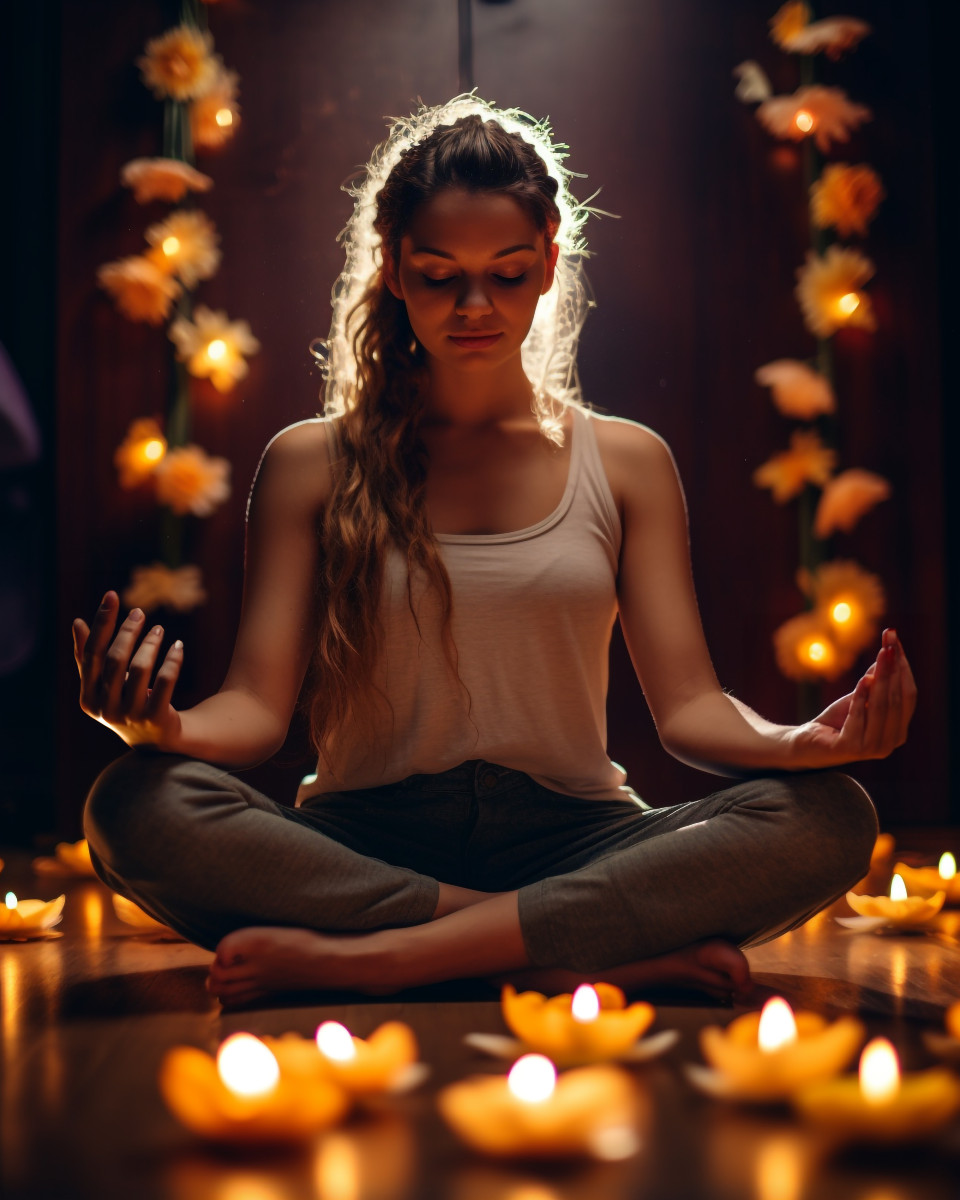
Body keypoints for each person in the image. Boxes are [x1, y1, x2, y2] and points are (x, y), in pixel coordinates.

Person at [75, 96, 912, 1008]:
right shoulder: (308, 463)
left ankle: (382, 960)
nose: (474, 306)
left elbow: (691, 709)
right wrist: (161, 732)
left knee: (830, 817)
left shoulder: (626, 461)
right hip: (362, 839)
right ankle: (561, 953)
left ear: (550, 263)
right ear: (393, 270)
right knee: (134, 804)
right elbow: (255, 709)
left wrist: (801, 742)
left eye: (508, 274)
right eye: (439, 276)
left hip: (577, 836)